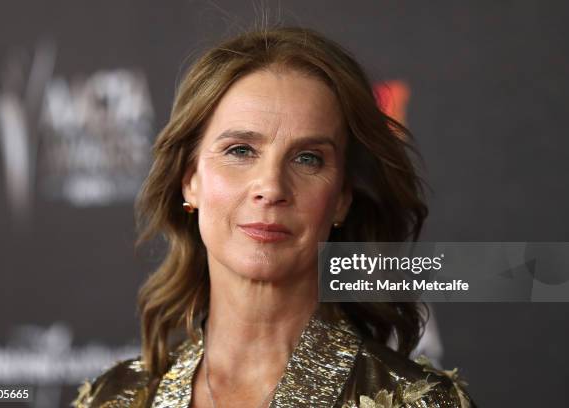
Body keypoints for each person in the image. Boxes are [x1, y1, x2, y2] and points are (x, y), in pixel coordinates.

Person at [72, 25, 476, 408]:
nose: (272, 187)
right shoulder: (113, 398)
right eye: (240, 150)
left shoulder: (421, 403)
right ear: (190, 179)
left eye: (307, 158)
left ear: (341, 199)